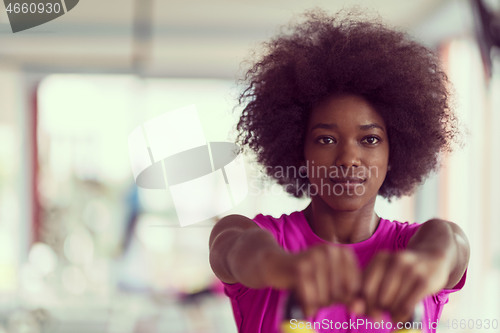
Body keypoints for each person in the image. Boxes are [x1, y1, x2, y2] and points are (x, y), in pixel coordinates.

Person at [208, 9, 469, 333]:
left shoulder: (413, 250)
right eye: (326, 139)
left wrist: (430, 261)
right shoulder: (266, 241)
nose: (348, 158)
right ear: (299, 150)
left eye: (370, 139)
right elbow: (230, 244)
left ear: (395, 153)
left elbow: (450, 242)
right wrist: (282, 266)